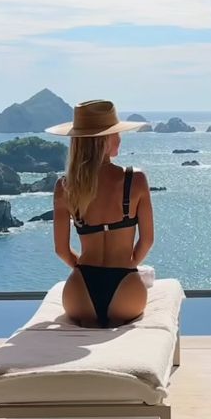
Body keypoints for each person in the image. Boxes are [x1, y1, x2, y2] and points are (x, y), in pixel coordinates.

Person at [46, 100, 154, 327]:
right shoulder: (136, 180)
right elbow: (147, 240)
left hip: (80, 288)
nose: (120, 138)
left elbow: (61, 250)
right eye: (115, 133)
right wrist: (129, 265)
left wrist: (83, 269)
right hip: (126, 289)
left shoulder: (65, 186)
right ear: (103, 139)